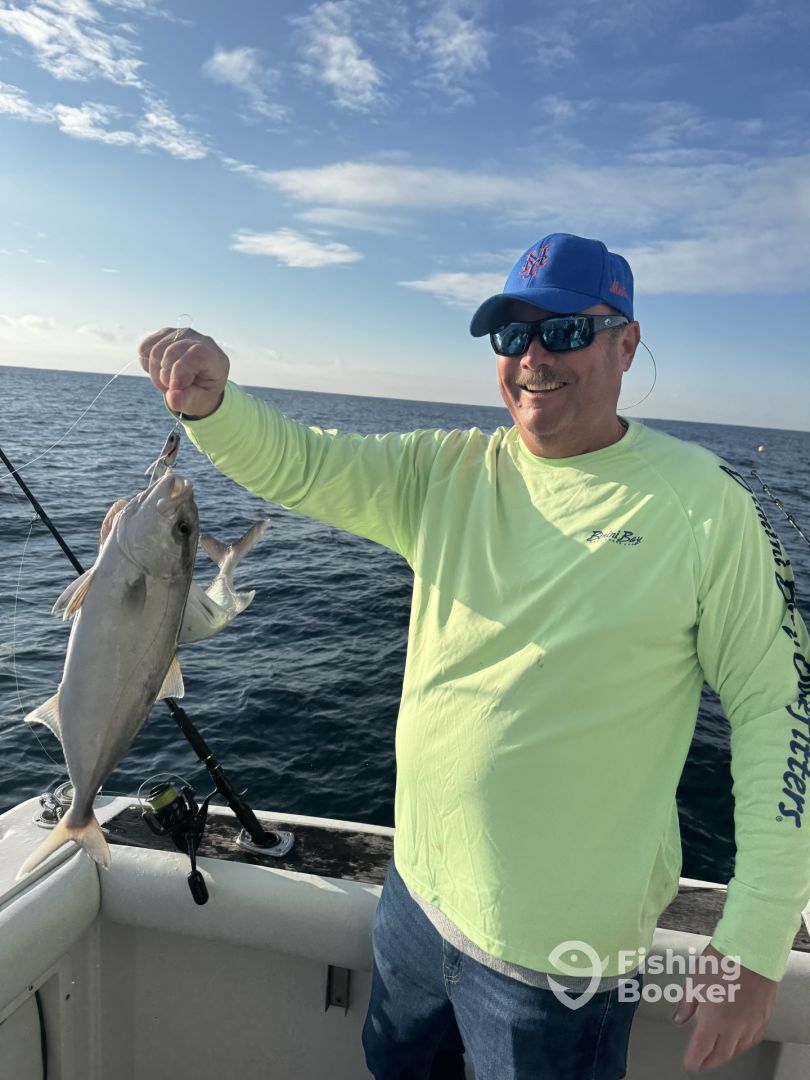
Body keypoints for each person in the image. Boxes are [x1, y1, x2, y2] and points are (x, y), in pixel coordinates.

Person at [139, 232, 810, 1079]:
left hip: (558, 965)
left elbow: (780, 713)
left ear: (626, 343)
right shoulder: (446, 472)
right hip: (416, 904)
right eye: (511, 333)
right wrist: (212, 406)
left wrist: (754, 942)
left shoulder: (705, 504)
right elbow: (302, 464)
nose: (533, 356)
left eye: (564, 330)